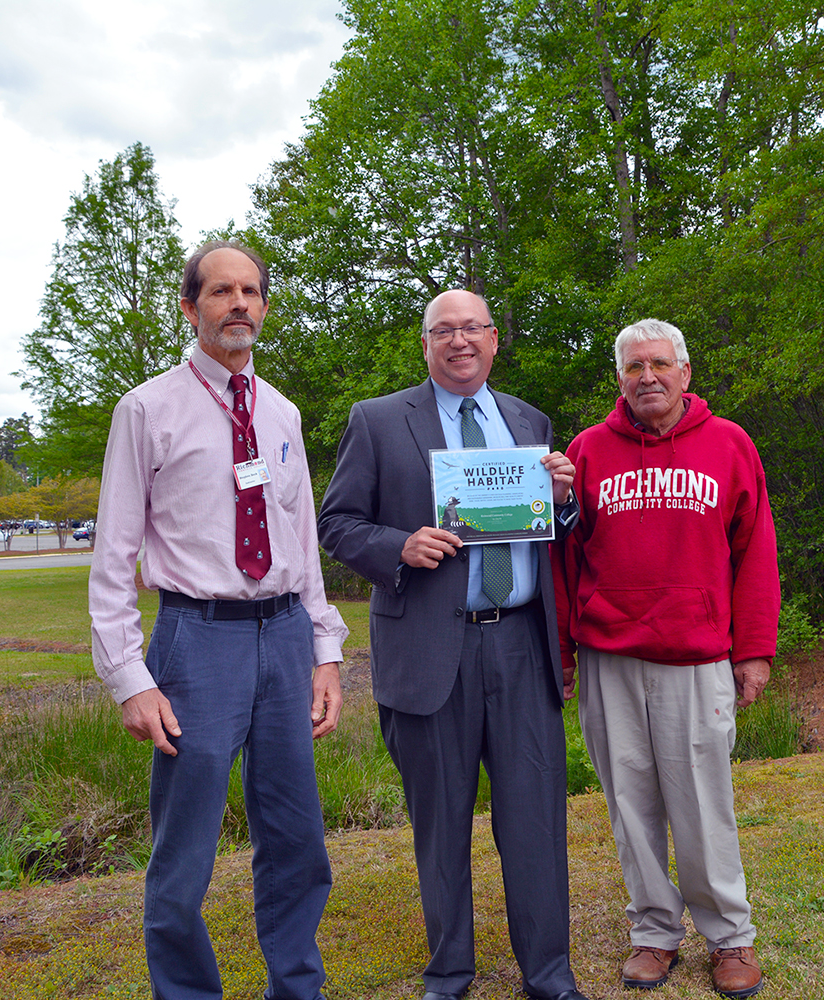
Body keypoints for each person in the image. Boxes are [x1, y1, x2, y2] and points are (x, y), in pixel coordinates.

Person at [89, 240, 349, 1000]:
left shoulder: (281, 413)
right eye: (221, 291)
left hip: (285, 638)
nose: (239, 303)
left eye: (250, 291)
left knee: (298, 843)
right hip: (196, 642)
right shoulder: (146, 408)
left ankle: (296, 988)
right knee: (184, 856)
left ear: (264, 306)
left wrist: (324, 649)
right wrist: (128, 677)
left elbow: (300, 537)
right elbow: (113, 556)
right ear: (190, 306)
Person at [318, 289, 590, 1000]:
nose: (459, 341)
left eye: (473, 328)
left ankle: (549, 972)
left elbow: (549, 529)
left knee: (535, 818)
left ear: (495, 340)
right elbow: (338, 522)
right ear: (426, 344)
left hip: (522, 649)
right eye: (445, 330)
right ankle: (449, 969)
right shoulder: (377, 421)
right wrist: (397, 545)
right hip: (430, 655)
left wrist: (562, 498)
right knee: (440, 825)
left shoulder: (528, 421)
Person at [551, 319, 779, 998]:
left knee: (704, 804)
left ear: (685, 373)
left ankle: (730, 936)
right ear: (619, 379)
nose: (646, 376)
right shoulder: (587, 452)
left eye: (658, 364)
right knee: (631, 804)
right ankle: (653, 931)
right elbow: (562, 558)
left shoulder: (729, 444)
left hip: (697, 655)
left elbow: (755, 552)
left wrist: (755, 651)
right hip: (609, 658)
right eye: (632, 367)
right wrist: (562, 649)